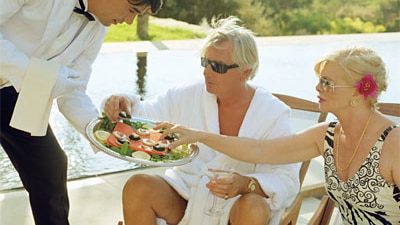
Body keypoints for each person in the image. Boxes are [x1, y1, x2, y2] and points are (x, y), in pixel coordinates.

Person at [159, 46, 400, 225]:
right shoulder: (327, 136)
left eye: (328, 82)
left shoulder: (394, 144)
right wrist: (201, 136)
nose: (318, 88)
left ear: (359, 91)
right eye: (319, 80)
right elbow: (260, 150)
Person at [103, 16, 300, 225]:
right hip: (188, 195)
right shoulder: (190, 94)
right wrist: (124, 104)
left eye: (218, 67)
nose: (207, 72)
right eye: (205, 62)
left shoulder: (272, 113)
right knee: (138, 186)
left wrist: (246, 184)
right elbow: (145, 115)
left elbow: (287, 179)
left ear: (245, 72)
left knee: (254, 205)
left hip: (236, 208)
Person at [0, 0, 162, 224]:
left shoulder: (98, 29)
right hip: (18, 85)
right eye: (132, 11)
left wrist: (105, 132)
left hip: (15, 94)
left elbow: (73, 90)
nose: (128, 21)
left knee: (51, 167)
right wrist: (32, 73)